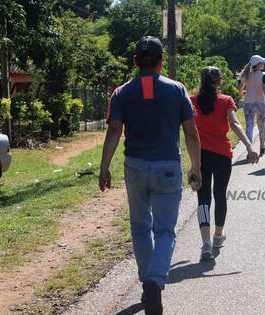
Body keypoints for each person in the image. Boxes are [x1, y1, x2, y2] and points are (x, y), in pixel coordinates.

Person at [99, 36, 201, 315]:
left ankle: (147, 281)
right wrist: (196, 167)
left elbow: (114, 130)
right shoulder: (177, 89)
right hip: (167, 167)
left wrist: (104, 167)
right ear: (160, 62)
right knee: (165, 231)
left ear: (135, 62)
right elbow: (191, 132)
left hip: (134, 166)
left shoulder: (121, 93)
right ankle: (155, 282)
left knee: (140, 227)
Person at [191, 66, 259, 260]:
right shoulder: (225, 101)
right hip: (222, 155)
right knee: (220, 195)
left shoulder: (192, 101)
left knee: (203, 198)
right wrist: (249, 146)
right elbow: (235, 123)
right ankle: (218, 236)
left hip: (201, 156)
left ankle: (205, 244)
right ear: (219, 82)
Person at [238, 55, 265, 156]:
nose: (263, 64)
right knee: (261, 126)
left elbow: (241, 88)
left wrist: (242, 93)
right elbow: (264, 89)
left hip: (248, 103)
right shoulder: (263, 75)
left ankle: (249, 150)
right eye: (262, 62)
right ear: (258, 65)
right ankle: (262, 147)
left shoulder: (247, 75)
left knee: (249, 127)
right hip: (260, 103)